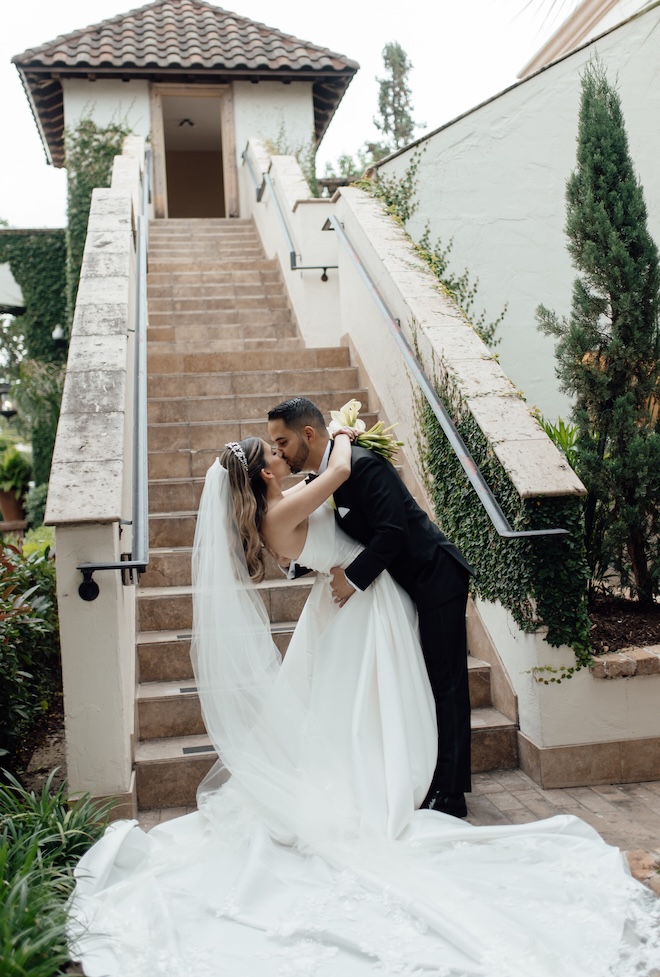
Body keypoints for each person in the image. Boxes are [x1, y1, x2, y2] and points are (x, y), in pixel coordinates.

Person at [66, 435, 660, 977]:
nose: (280, 454)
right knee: (367, 706)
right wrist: (344, 434)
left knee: (350, 709)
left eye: (279, 447)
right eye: (272, 454)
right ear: (266, 478)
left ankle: (390, 774)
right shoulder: (285, 507)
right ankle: (387, 781)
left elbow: (338, 507)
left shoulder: (279, 505)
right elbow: (342, 468)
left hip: (347, 605)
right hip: (359, 611)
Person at [268, 396, 473, 817]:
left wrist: (353, 580)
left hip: (435, 576)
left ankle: (450, 795)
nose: (281, 451)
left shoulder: (362, 465)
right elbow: (339, 539)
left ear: (308, 433)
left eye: (283, 441)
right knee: (426, 680)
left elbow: (392, 533)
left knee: (446, 683)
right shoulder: (327, 476)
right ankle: (429, 772)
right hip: (403, 584)